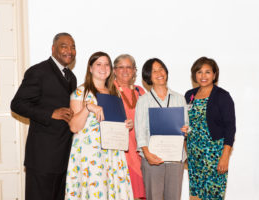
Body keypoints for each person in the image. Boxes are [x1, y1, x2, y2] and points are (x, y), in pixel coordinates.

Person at [11, 32, 77, 200]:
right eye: (64, 46)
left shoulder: (71, 77)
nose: (69, 50)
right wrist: (50, 113)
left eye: (73, 47)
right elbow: (17, 104)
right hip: (42, 158)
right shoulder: (38, 71)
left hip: (64, 157)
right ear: (53, 49)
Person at [65, 51, 134, 200]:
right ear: (90, 68)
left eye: (106, 64)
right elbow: (74, 127)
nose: (103, 67)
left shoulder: (114, 93)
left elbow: (114, 121)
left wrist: (126, 124)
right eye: (98, 64)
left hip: (113, 153)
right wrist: (88, 107)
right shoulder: (81, 92)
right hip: (91, 155)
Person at [135, 58, 188, 200]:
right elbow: (140, 131)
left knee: (174, 197)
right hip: (152, 157)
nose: (159, 73)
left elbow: (187, 127)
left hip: (175, 158)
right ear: (148, 77)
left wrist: (185, 130)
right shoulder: (143, 100)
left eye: (161, 68)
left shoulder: (179, 98)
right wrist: (147, 154)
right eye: (154, 71)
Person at [184, 57, 236, 200]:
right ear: (195, 74)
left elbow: (230, 128)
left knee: (212, 195)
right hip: (194, 153)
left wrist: (225, 157)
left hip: (214, 155)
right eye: (199, 72)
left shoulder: (222, 96)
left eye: (207, 72)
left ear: (214, 74)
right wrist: (185, 152)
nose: (203, 76)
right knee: (195, 195)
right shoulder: (189, 95)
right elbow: (185, 123)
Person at [112, 54, 146, 199]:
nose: (125, 71)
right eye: (121, 67)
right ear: (114, 70)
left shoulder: (140, 91)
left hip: (140, 150)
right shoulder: (108, 90)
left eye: (129, 67)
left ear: (134, 70)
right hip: (120, 151)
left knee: (140, 194)